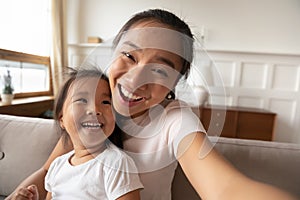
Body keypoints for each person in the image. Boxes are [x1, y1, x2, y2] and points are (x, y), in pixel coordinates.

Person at [8, 9, 297, 200]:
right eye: (129, 57)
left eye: (160, 70)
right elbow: (48, 171)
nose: (135, 79)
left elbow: (225, 188)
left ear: (174, 86)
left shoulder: (174, 119)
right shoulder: (89, 109)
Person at [11, 68, 143, 200]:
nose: (95, 110)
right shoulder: (57, 165)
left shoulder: (116, 163)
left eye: (105, 102)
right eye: (82, 100)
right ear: (61, 119)